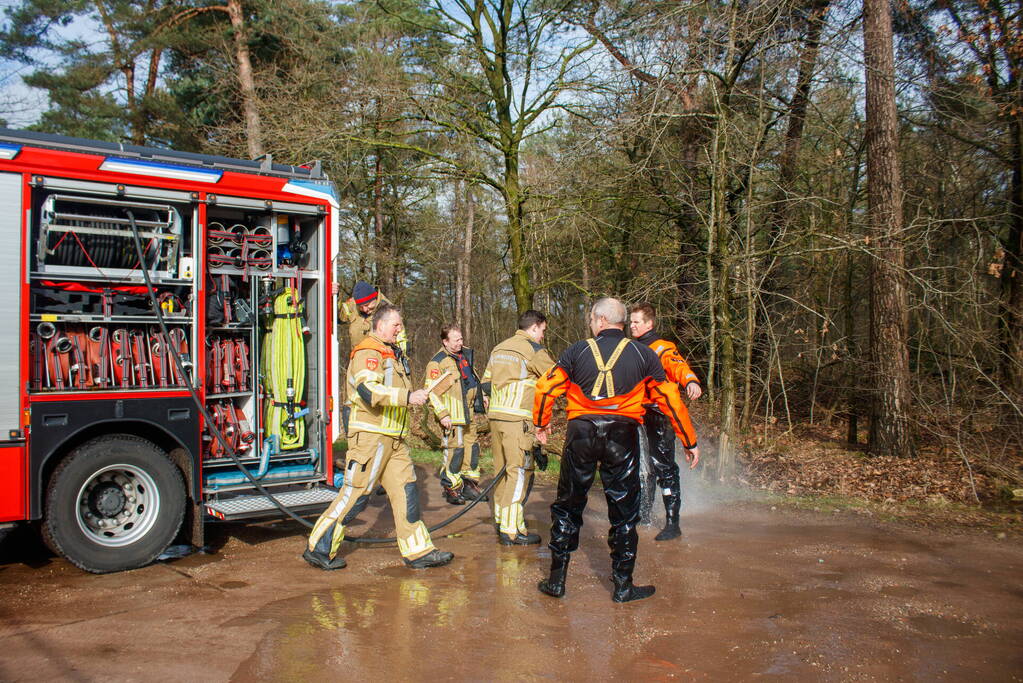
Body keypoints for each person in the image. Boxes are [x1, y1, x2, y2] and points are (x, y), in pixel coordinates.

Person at [533, 297, 699, 602]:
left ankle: (557, 581)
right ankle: (623, 586)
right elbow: (669, 399)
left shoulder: (577, 350)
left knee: (568, 506)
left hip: (581, 433)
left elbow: (545, 388)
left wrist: (541, 424)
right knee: (624, 511)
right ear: (622, 323)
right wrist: (689, 441)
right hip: (621, 435)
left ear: (599, 320)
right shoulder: (644, 354)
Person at [304, 304, 453, 570]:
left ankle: (418, 551)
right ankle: (319, 548)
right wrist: (408, 397)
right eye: (396, 325)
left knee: (407, 493)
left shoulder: (393, 353)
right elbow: (369, 391)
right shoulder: (368, 352)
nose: (400, 329)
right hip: (371, 438)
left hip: (394, 440)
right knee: (356, 494)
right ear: (380, 325)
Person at [480, 310, 556, 545]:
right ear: (534, 327)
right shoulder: (534, 350)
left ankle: (505, 522)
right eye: (542, 330)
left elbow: (485, 383)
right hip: (518, 420)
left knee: (501, 471)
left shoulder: (499, 348)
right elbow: (556, 379)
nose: (543, 336)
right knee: (519, 472)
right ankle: (511, 531)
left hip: (496, 418)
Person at [628, 303, 702, 541]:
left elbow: (679, 366)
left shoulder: (662, 348)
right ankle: (644, 514)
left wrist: (691, 381)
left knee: (663, 466)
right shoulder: (629, 348)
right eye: (630, 322)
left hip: (659, 414)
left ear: (649, 324)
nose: (632, 326)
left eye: (636, 322)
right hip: (636, 414)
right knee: (641, 467)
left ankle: (672, 522)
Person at [425, 323, 486, 505]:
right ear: (445, 341)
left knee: (471, 450)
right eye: (456, 340)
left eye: (461, 338)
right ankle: (452, 487)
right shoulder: (437, 362)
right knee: (455, 453)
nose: (461, 342)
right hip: (453, 416)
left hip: (468, 413)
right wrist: (443, 414)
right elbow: (431, 392)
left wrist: (481, 396)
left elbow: (472, 380)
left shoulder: (464, 356)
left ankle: (469, 485)